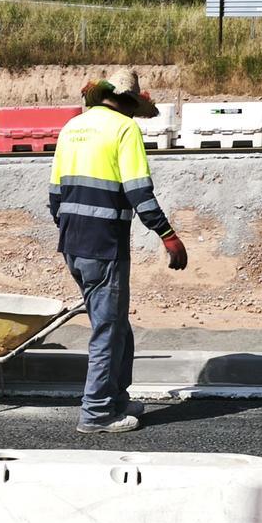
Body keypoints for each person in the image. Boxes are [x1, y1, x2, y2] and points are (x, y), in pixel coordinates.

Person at [49, 69, 188, 434]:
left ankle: (116, 399)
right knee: (108, 331)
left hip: (73, 243)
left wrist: (72, 231)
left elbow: (54, 196)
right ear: (130, 103)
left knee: (116, 327)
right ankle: (96, 413)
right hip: (105, 245)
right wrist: (168, 235)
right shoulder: (124, 129)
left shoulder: (72, 127)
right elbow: (139, 191)